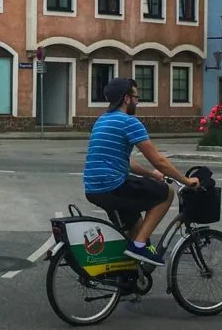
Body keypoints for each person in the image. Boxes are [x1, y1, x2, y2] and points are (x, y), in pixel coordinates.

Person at [82, 76, 202, 267]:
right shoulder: (129, 122)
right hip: (113, 185)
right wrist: (186, 181)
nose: (138, 101)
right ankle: (138, 246)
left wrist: (150, 174)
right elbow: (159, 160)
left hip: (94, 188)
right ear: (126, 99)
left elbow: (127, 161)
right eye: (136, 97)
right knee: (166, 193)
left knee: (137, 227)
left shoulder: (102, 120)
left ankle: (125, 276)